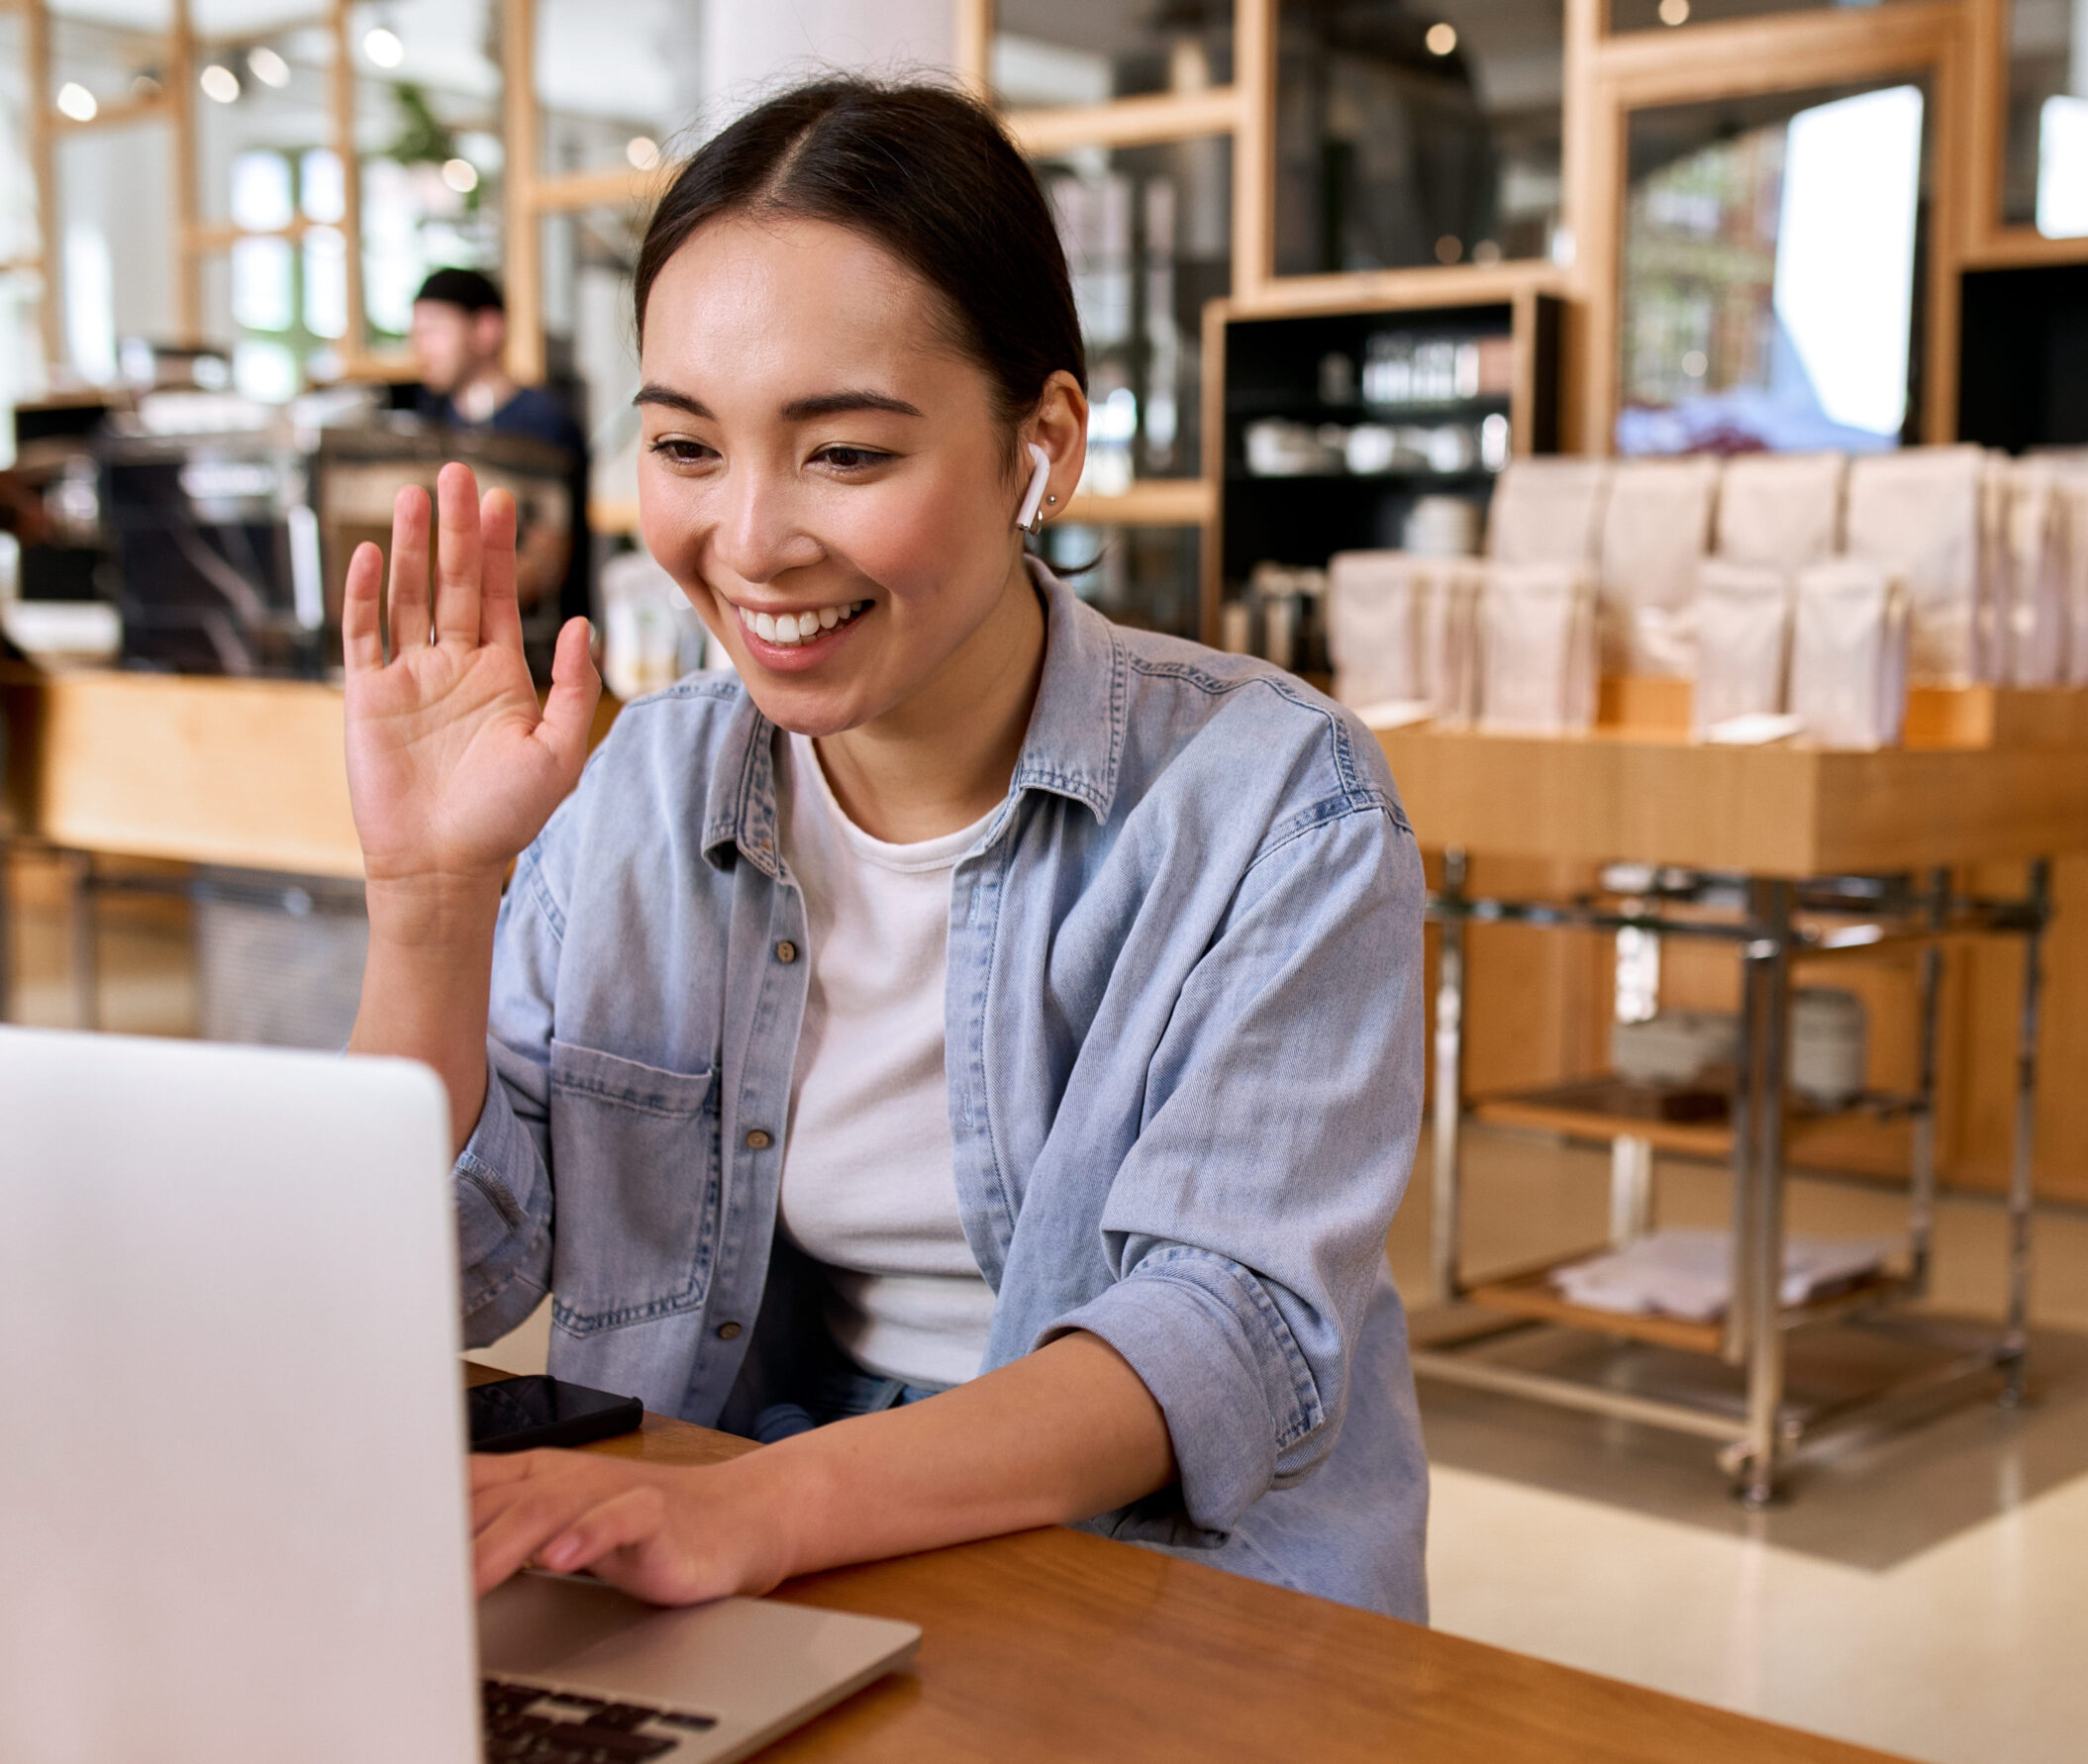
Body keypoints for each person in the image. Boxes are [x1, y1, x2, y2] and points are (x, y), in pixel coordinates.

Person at [341, 76, 1431, 1621]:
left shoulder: (1276, 802)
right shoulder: (640, 784)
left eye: (845, 454)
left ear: (1039, 445)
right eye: (686, 447)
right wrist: (431, 899)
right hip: (730, 1544)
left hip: (1158, 1585)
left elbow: (1227, 1329)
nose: (753, 539)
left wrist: (753, 1506)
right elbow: (445, 1269)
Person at [408, 266, 591, 627]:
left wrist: (452, 606)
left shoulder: (543, 421)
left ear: (487, 330)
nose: (420, 348)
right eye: (416, 334)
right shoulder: (434, 417)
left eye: (434, 331)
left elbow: (547, 560)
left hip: (537, 644)